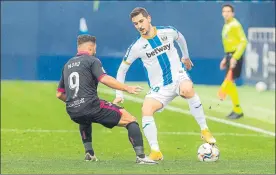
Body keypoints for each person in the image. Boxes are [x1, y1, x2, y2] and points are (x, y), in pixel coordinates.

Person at [113, 7, 216, 161]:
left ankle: (205, 129)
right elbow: (122, 70)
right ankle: (156, 152)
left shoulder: (167, 32)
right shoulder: (136, 47)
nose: (139, 26)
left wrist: (186, 57)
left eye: (141, 21)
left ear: (149, 18)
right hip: (160, 87)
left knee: (187, 90)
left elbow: (180, 37)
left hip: (178, 77)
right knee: (146, 109)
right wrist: (119, 94)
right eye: (135, 24)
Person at [56, 34, 157, 164]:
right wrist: (126, 88)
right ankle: (141, 157)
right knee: (130, 119)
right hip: (91, 106)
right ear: (91, 48)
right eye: (95, 48)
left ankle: (89, 153)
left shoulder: (67, 64)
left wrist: (75, 102)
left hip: (73, 110)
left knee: (84, 117)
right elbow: (104, 79)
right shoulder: (92, 60)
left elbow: (59, 94)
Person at [219, 4, 247, 119]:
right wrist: (226, 58)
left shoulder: (235, 25)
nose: (226, 13)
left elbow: (243, 41)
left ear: (233, 13)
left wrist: (235, 57)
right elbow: (229, 43)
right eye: (224, 11)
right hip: (230, 55)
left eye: (228, 11)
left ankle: (237, 109)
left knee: (229, 82)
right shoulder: (227, 25)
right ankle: (236, 109)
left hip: (235, 55)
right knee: (230, 83)